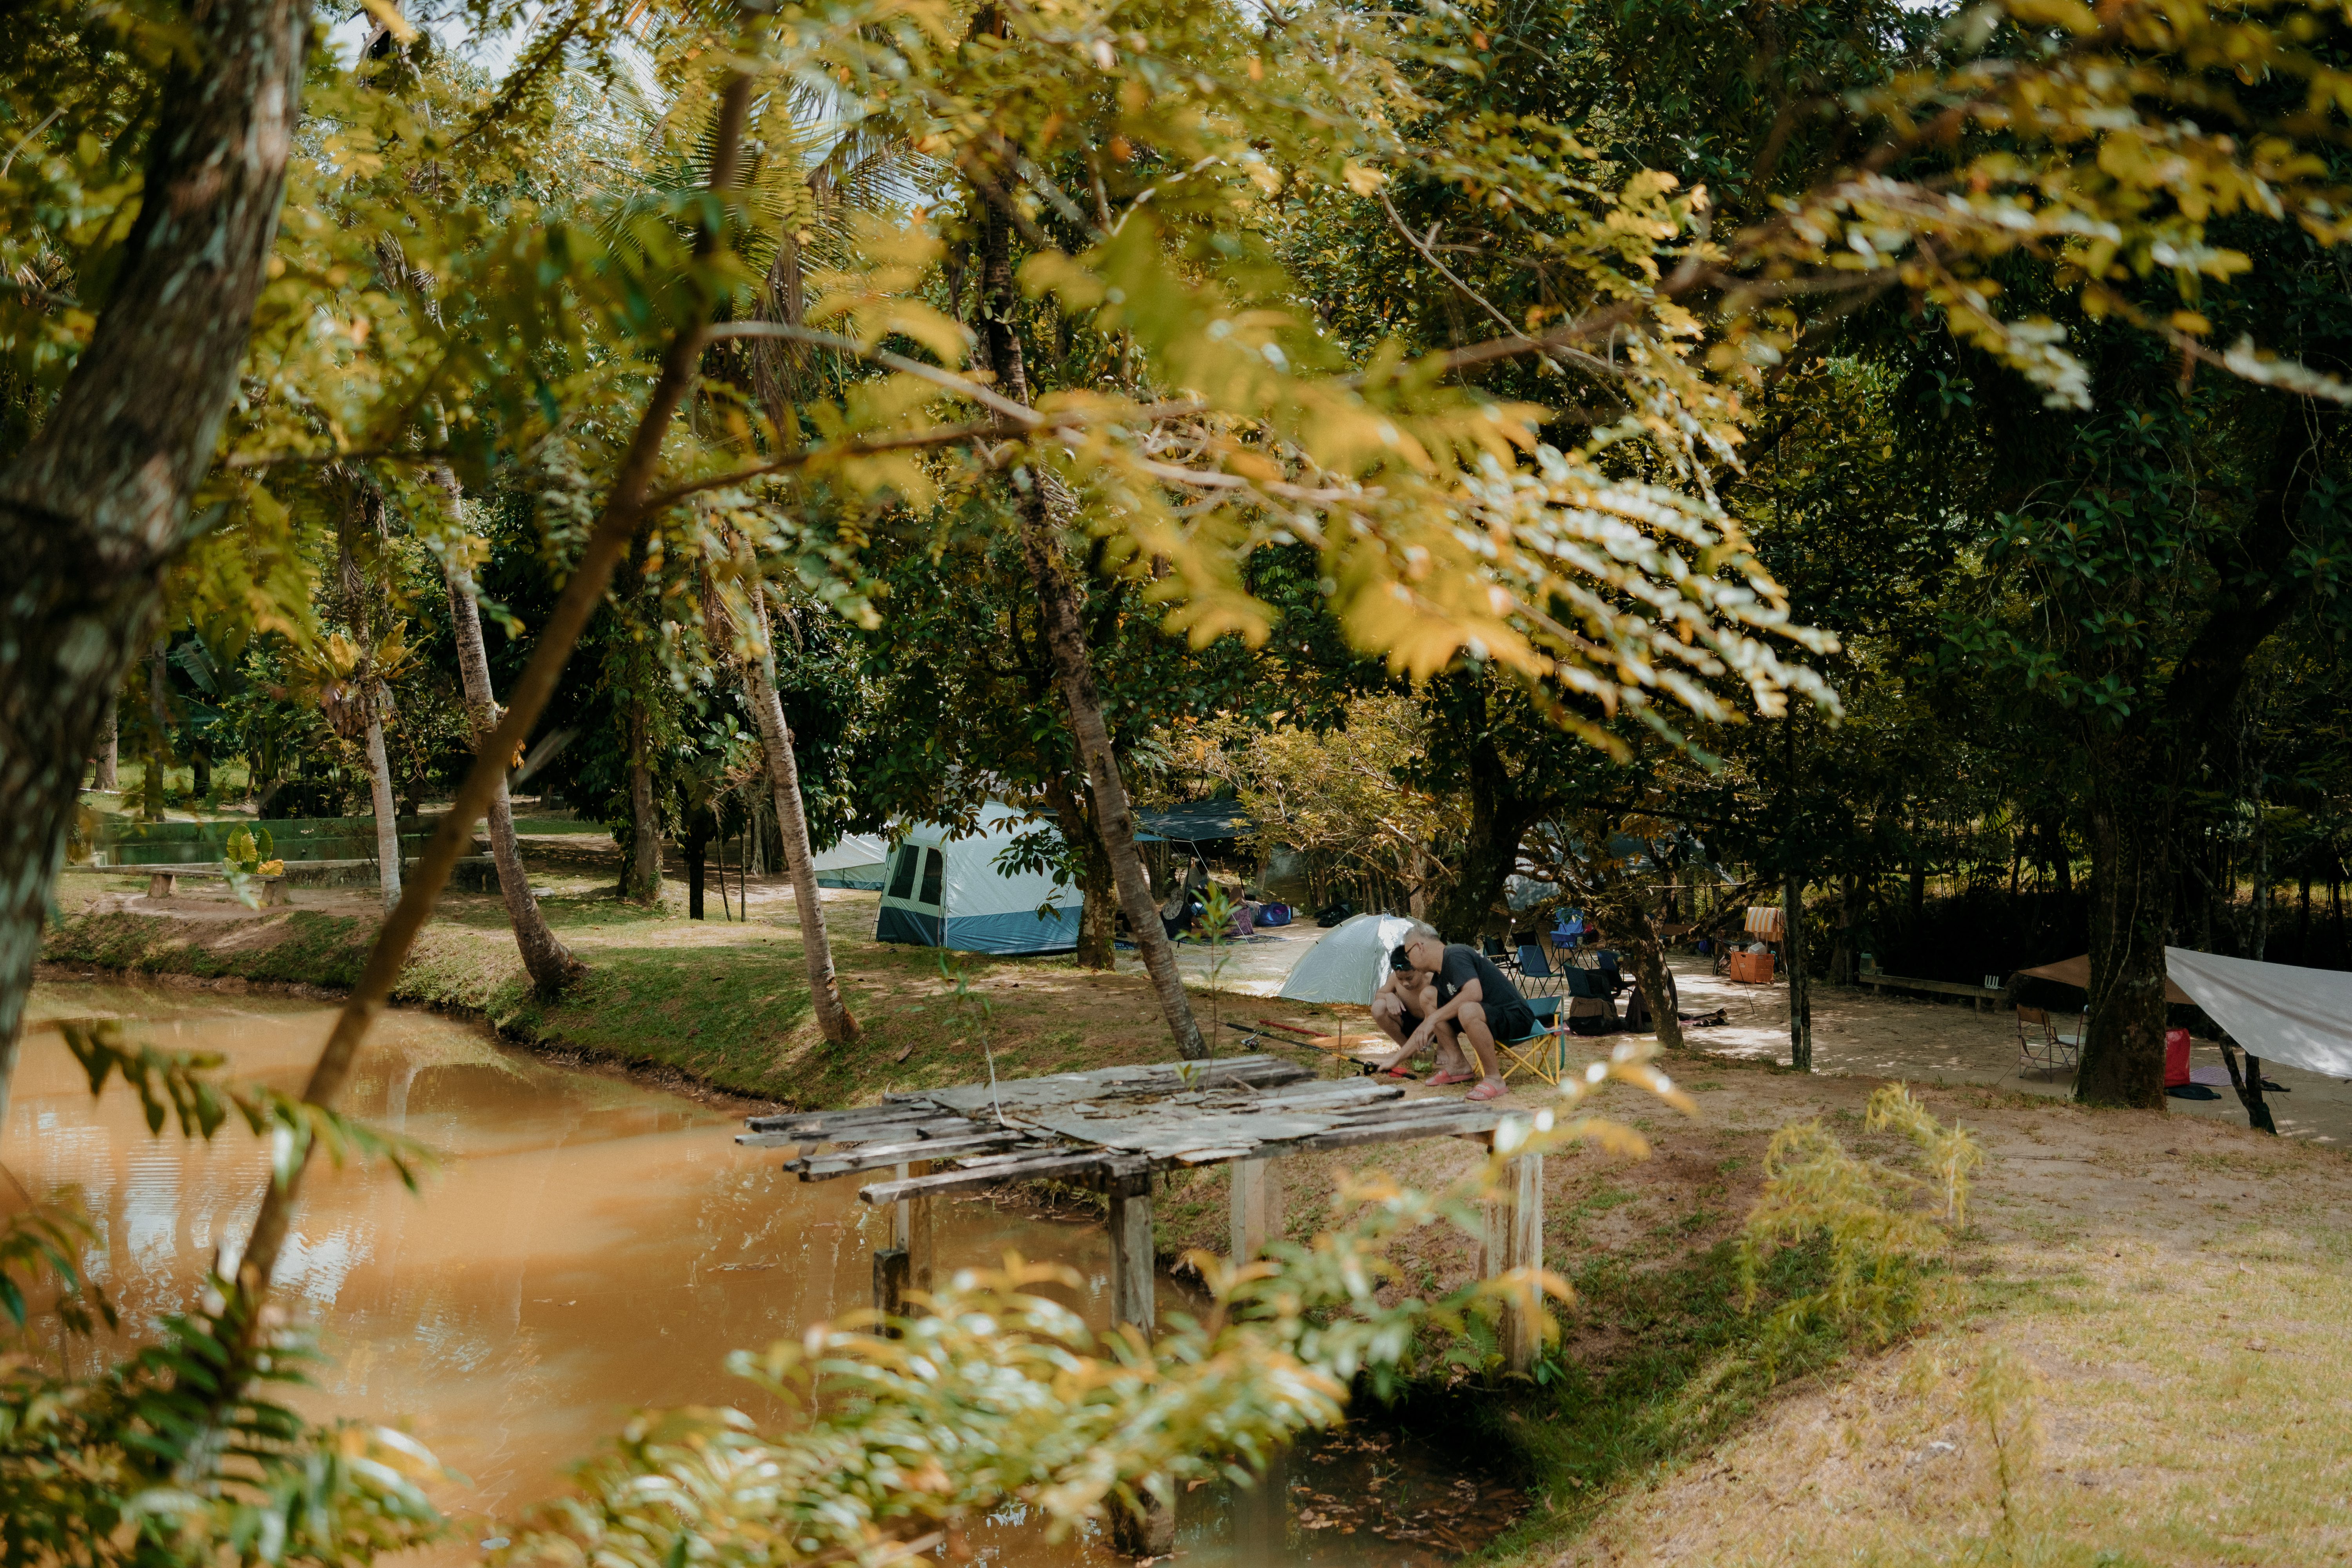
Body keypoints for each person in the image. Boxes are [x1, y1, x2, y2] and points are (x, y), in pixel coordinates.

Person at [1392, 920, 1537, 1102]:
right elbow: (1425, 1028)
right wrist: (1394, 1061)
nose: (1408, 960)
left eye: (1408, 954)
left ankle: (1494, 1079)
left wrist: (1432, 1019)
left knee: (1467, 1009)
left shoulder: (1455, 954)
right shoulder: (1440, 976)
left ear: (1420, 947)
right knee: (1428, 996)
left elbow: (1474, 993)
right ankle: (1458, 1064)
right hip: (1488, 1017)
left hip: (1516, 1017)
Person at [1368, 944, 1476, 1084]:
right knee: (1378, 1007)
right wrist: (1389, 996)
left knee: (1442, 1008)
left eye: (1409, 978)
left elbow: (1449, 1009)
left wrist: (1440, 1045)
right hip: (1411, 1023)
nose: (1405, 983)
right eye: (1401, 979)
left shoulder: (1433, 979)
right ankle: (1409, 1050)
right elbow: (1380, 994)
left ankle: (1444, 1047)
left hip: (1438, 1025)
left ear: (1419, 969)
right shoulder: (1395, 979)